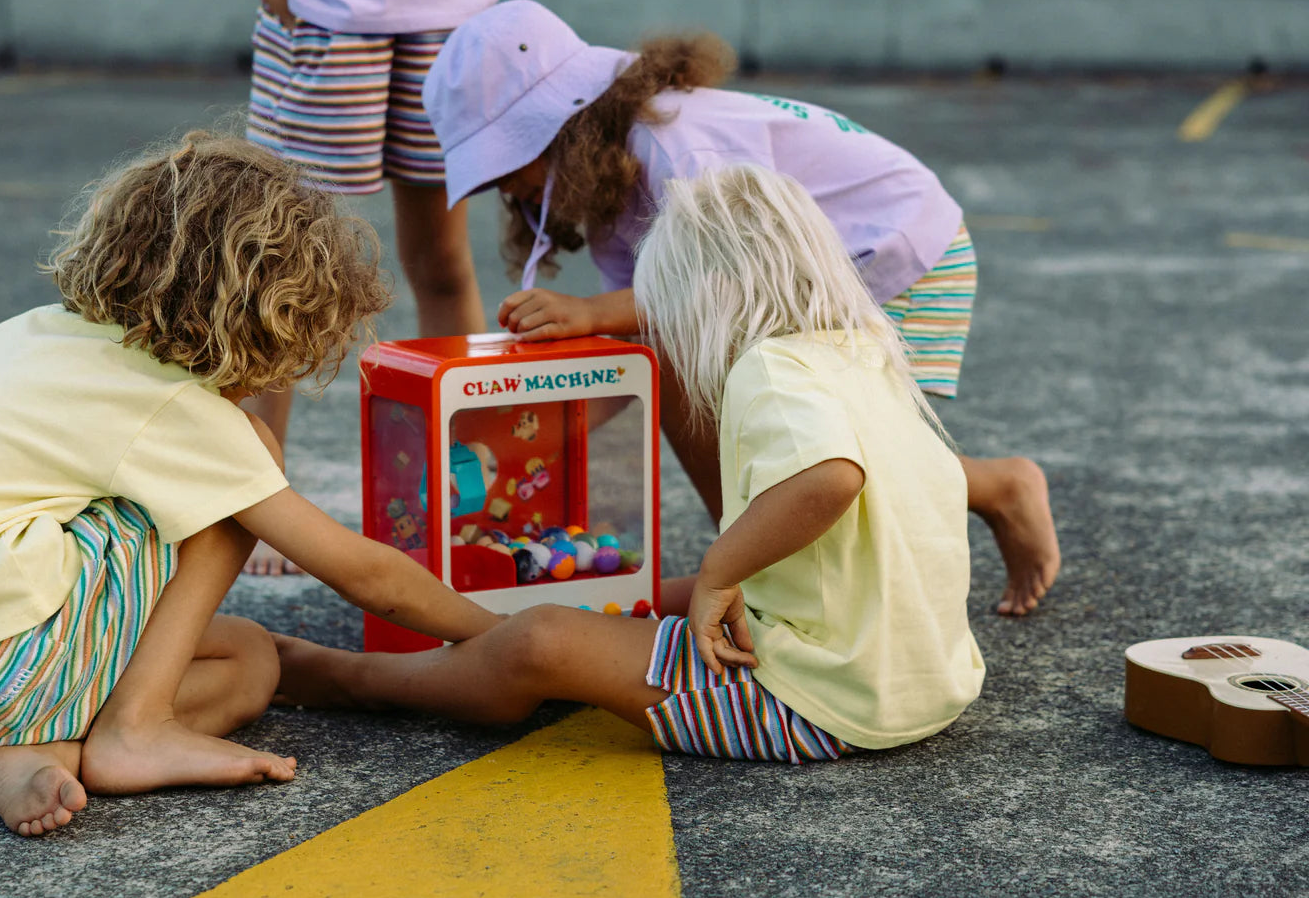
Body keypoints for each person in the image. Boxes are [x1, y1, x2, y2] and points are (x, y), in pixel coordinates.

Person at [0, 133, 501, 837]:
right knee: (248, 460)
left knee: (248, 662)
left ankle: (23, 755)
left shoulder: (18, 338)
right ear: (258, 322)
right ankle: (133, 729)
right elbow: (365, 574)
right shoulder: (168, 404)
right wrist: (498, 634)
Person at [273, 167, 985, 763]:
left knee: (541, 640)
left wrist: (720, 571)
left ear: (709, 299)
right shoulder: (864, 348)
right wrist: (710, 583)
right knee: (647, 594)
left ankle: (355, 677)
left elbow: (830, 477)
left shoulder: (772, 368)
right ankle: (483, 626)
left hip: (814, 703)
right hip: (921, 684)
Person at [421, 0, 1060, 616]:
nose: (504, 187)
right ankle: (750, 554)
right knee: (731, 397)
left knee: (853, 442)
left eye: (507, 163)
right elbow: (650, 334)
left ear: (564, 124)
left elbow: (729, 275)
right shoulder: (616, 178)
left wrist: (590, 314)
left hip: (895, 255)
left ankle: (999, 489)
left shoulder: (676, 148)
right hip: (814, 271)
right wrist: (532, 433)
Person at [174, 0, 508, 572]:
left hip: (449, 26)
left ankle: (467, 492)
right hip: (327, 24)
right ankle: (258, 495)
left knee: (446, 260)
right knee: (279, 259)